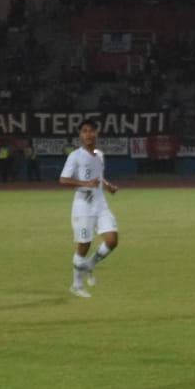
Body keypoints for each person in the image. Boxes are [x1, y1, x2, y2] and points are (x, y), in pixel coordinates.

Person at [59, 119, 119, 297]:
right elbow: (63, 179)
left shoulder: (99, 155)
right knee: (83, 246)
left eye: (91, 131)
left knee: (112, 240)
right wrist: (85, 183)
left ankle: (90, 264)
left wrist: (107, 186)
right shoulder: (75, 156)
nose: (88, 134)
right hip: (83, 207)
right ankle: (76, 285)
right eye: (84, 131)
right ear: (80, 135)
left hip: (100, 205)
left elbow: (99, 177)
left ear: (96, 133)